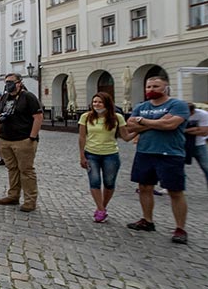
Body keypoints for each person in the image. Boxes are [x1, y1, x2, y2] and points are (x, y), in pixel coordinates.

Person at [125, 76, 191, 244]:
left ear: (165, 88)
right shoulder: (141, 106)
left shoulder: (177, 105)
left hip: (170, 154)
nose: (151, 89)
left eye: (156, 86)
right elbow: (131, 126)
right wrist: (157, 122)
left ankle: (180, 228)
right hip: (145, 152)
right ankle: (147, 220)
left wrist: (143, 122)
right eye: (148, 86)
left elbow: (170, 126)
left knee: (175, 191)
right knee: (144, 187)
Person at [78, 92, 132, 223]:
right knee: (94, 181)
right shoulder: (86, 117)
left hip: (110, 154)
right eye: (94, 102)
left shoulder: (117, 117)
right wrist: (82, 155)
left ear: (107, 103)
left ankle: (102, 206)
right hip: (91, 154)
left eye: (99, 102)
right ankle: (101, 209)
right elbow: (82, 137)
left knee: (109, 183)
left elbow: (125, 137)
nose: (96, 105)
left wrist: (141, 130)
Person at [0, 72, 44, 212]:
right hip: (6, 139)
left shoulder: (28, 97)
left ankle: (30, 200)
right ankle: (13, 195)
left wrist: (32, 137)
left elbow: (38, 117)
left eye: (11, 81)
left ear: (19, 83)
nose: (8, 84)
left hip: (23, 139)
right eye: (6, 82)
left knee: (26, 170)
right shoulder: (5, 97)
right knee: (12, 169)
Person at [185, 103, 208, 187]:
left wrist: (185, 131)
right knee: (178, 168)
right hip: (182, 144)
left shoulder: (202, 114)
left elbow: (204, 132)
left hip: (199, 144)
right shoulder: (179, 114)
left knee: (206, 167)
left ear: (193, 111)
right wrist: (196, 128)